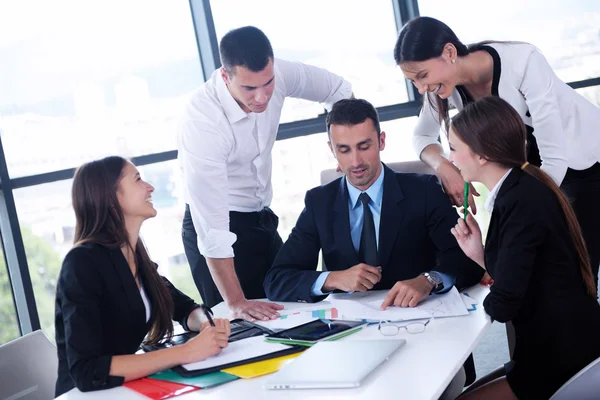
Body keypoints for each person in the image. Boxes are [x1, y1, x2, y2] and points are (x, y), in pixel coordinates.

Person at [394, 16, 600, 287]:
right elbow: (421, 135)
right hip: (532, 168)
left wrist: (511, 238)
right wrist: (445, 166)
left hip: (582, 161)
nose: (422, 89)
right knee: (531, 270)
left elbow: (554, 158)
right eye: (414, 82)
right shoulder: (443, 88)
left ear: (449, 52)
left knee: (573, 276)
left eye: (423, 76)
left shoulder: (523, 61)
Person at [177, 26, 353, 320]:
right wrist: (235, 303)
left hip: (261, 217)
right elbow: (213, 230)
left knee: (293, 310)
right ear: (225, 76)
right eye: (249, 88)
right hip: (217, 228)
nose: (262, 97)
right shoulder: (202, 121)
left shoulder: (279, 73)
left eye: (268, 83)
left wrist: (342, 148)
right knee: (244, 329)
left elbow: (339, 90)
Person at [448, 97, 600, 400]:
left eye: (453, 148)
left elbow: (504, 304)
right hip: (555, 344)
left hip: (563, 355)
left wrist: (483, 304)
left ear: (480, 155)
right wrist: (478, 253)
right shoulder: (521, 188)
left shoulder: (520, 201)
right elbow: (523, 276)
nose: (450, 159)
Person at [263, 98, 483, 306]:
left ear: (381, 141)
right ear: (332, 150)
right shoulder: (319, 202)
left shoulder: (423, 190)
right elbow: (277, 280)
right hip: (351, 330)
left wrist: (429, 279)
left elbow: (467, 259)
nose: (356, 161)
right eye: (344, 150)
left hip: (420, 317)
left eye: (364, 147)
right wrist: (333, 279)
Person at [54, 156, 231, 397]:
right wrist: (187, 352)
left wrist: (208, 326)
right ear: (111, 196)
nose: (150, 187)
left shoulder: (134, 254)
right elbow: (88, 371)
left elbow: (184, 308)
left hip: (124, 390)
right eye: (138, 179)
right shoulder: (82, 263)